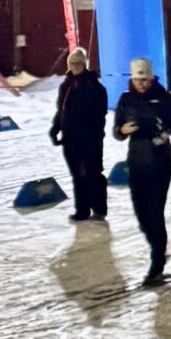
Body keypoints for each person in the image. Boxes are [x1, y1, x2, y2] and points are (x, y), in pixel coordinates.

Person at [114, 57, 171, 286]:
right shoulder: (126, 100)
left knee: (155, 212)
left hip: (160, 162)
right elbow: (116, 131)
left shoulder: (163, 98)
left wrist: (165, 128)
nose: (142, 84)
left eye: (146, 80)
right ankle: (157, 246)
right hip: (137, 162)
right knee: (142, 214)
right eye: (138, 80)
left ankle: (157, 262)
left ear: (152, 79)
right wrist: (122, 130)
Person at [50, 46, 108, 222]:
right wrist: (56, 128)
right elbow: (62, 110)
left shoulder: (94, 87)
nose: (75, 67)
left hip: (90, 139)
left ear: (84, 65)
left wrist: (94, 135)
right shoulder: (66, 86)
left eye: (78, 63)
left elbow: (99, 114)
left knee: (92, 173)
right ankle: (82, 210)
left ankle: (99, 209)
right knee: (77, 175)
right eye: (72, 63)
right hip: (70, 138)